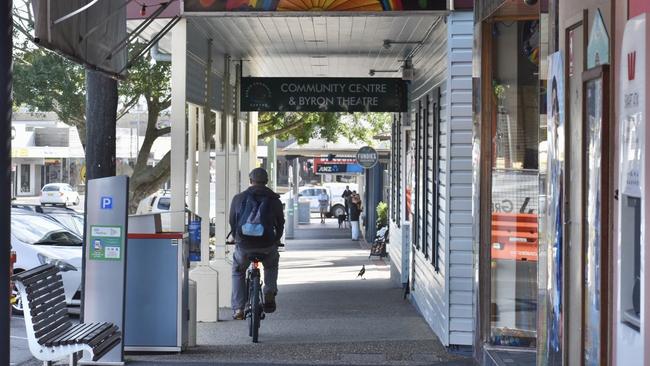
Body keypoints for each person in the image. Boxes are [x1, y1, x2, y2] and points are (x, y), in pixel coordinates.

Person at [229, 167, 285, 320]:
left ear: (250, 180)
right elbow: (280, 223)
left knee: (238, 271)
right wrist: (276, 239)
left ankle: (239, 308)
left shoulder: (239, 198)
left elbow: (233, 221)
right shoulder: (274, 200)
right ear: (266, 182)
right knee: (271, 264)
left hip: (244, 245)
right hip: (267, 245)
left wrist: (236, 238)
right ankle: (269, 291)